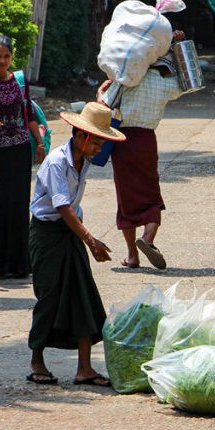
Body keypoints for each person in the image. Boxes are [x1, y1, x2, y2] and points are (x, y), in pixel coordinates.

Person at [25, 102, 126, 386]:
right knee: (49, 296)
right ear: (80, 136)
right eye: (96, 142)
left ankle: (84, 368)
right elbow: (62, 207)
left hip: (70, 233)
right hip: (46, 233)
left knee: (84, 295)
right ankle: (37, 362)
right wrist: (90, 240)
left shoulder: (85, 161)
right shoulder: (57, 161)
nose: (99, 148)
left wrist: (85, 238)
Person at [98, 32, 185, 270]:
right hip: (147, 141)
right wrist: (177, 46)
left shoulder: (125, 79)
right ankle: (147, 239)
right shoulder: (163, 83)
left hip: (122, 141)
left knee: (126, 198)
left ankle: (132, 255)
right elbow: (187, 82)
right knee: (150, 194)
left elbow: (104, 104)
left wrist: (99, 93)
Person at [0, 35, 45, 278]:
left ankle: (18, 264)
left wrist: (40, 143)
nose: (2, 61)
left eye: (6, 56)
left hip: (20, 152)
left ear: (11, 56)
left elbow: (29, 112)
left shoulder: (20, 81)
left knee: (17, 207)